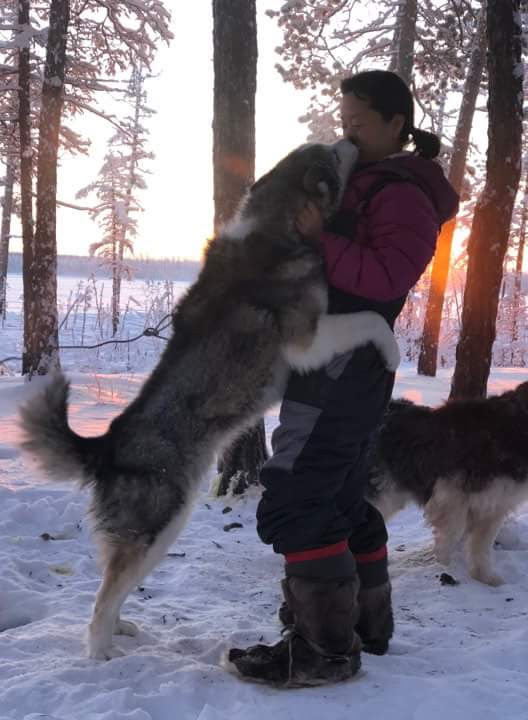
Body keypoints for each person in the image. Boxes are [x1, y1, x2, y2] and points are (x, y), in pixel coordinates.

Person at [228, 70, 459, 687]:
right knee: (338, 495)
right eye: (345, 120)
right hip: (337, 357)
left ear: (395, 123)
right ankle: (363, 627)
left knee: (298, 494)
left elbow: (385, 279)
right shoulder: (371, 182)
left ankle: (323, 650)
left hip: (345, 360)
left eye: (359, 121)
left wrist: (318, 239)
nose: (348, 131)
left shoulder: (405, 194)